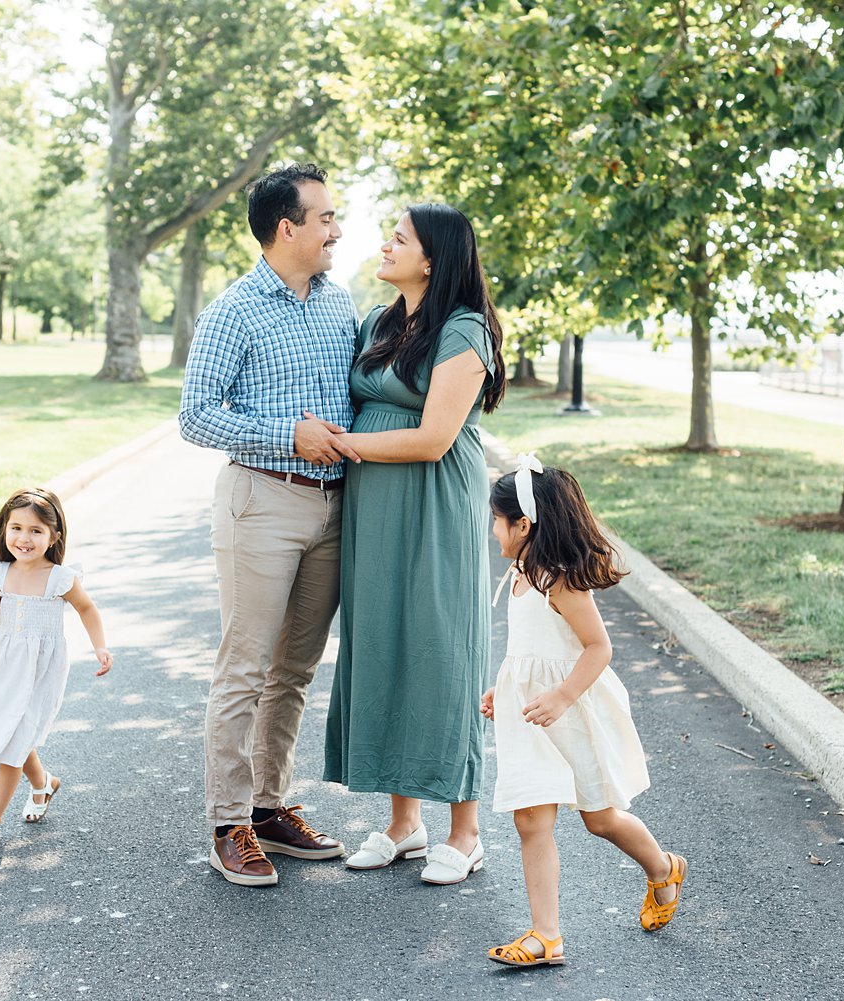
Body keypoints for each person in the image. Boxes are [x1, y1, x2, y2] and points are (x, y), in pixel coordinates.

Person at [179, 162, 358, 887]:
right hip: (262, 498)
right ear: (286, 228)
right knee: (245, 668)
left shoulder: (340, 303)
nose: (335, 230)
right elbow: (195, 416)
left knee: (294, 671)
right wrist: (289, 434)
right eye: (324, 218)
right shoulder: (232, 311)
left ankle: (269, 808)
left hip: (334, 506)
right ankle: (228, 823)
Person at [322, 203, 507, 886]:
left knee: (439, 650)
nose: (384, 244)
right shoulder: (379, 321)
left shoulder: (464, 330)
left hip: (432, 504)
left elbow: (433, 438)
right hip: (374, 506)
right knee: (383, 645)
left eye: (399, 238)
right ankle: (404, 823)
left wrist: (344, 444)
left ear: (432, 258)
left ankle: (465, 830)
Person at [480, 458, 685, 967]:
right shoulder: (519, 573)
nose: (493, 530)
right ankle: (546, 936)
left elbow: (598, 648)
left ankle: (663, 869)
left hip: (571, 710)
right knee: (530, 818)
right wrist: (502, 689)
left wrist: (561, 697)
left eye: (497, 520)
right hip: (531, 715)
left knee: (600, 819)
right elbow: (528, 649)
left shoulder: (562, 581)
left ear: (523, 524)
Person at [0, 487, 113, 848]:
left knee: (16, 733)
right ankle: (43, 783)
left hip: (43, 670)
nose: (24, 538)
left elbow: (87, 609)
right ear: (3, 530)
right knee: (15, 729)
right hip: (7, 667)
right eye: (16, 528)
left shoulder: (60, 578)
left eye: (35, 531)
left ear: (54, 536)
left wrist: (100, 646)